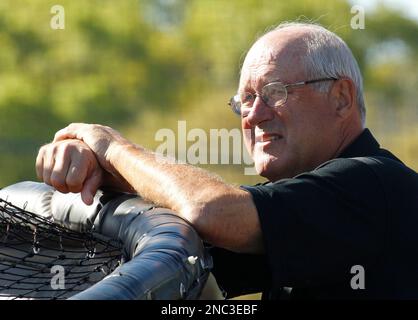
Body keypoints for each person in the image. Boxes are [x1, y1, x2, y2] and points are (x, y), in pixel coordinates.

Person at [35, 22, 418, 299]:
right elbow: (195, 245)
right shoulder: (312, 203)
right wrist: (101, 171)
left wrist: (110, 147)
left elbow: (211, 209)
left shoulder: (376, 185)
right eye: (245, 100)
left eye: (274, 91)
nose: (253, 115)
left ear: (341, 98)